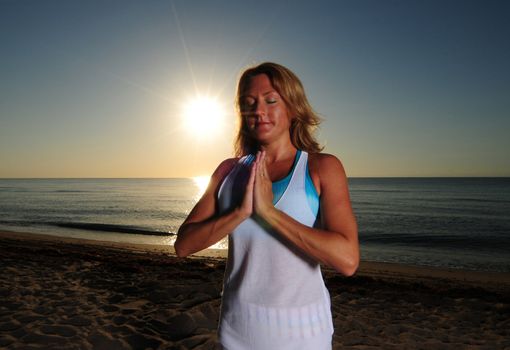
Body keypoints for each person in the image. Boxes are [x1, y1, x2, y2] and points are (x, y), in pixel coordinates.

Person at [175, 62, 359, 349]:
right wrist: (240, 213)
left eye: (271, 100)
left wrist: (269, 214)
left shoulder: (321, 168)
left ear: (293, 108)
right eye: (248, 103)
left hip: (304, 333)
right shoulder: (227, 171)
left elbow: (347, 260)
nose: (258, 111)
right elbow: (183, 245)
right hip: (238, 329)